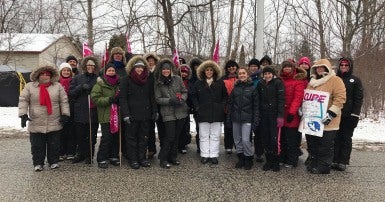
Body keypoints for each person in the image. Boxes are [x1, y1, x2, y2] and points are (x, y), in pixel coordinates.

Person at [18, 65, 70, 171]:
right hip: (36, 120)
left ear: (51, 76)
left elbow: (63, 101)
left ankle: (53, 161)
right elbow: (23, 100)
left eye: (47, 74)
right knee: (37, 145)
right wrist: (23, 114)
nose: (45, 76)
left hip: (54, 119)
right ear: (38, 75)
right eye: (43, 74)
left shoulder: (57, 86)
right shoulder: (30, 86)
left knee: (54, 144)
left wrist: (65, 114)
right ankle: (38, 163)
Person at [305, 59, 346, 174]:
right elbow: (307, 98)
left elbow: (340, 98)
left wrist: (331, 113)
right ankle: (314, 162)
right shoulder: (312, 82)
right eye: (317, 67)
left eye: (321, 67)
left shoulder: (336, 80)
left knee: (325, 145)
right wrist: (303, 109)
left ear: (327, 68)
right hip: (312, 119)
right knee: (312, 143)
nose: (319, 69)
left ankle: (323, 166)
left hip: (328, 120)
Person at [120, 56, 157, 169]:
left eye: (141, 67)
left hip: (145, 114)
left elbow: (152, 97)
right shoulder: (126, 79)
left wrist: (154, 111)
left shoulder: (149, 79)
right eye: (137, 67)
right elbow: (123, 98)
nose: (140, 69)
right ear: (133, 68)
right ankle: (133, 159)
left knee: (143, 137)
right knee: (131, 138)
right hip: (131, 115)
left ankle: (142, 158)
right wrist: (125, 113)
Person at [154, 58, 188, 169]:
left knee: (176, 136)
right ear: (161, 70)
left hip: (180, 111)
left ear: (171, 70)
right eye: (164, 69)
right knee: (170, 136)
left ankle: (173, 157)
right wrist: (169, 101)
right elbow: (158, 99)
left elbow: (184, 91)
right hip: (168, 113)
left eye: (167, 69)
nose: (166, 71)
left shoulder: (177, 79)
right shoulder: (158, 83)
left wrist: (182, 99)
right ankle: (163, 158)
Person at [192, 60, 228, 165]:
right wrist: (197, 107)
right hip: (203, 113)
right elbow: (194, 96)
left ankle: (213, 155)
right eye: (207, 70)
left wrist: (222, 106)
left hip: (217, 113)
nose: (209, 72)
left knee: (215, 135)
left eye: (211, 70)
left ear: (214, 71)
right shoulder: (198, 83)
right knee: (203, 135)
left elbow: (225, 96)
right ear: (203, 71)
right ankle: (204, 155)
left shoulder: (220, 82)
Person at [332, 57, 363, 171]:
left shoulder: (355, 80)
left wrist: (355, 114)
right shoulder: (334, 79)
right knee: (335, 137)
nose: (344, 67)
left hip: (349, 115)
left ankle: (343, 161)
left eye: (346, 65)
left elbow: (358, 99)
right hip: (335, 114)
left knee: (346, 138)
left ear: (350, 67)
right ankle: (334, 159)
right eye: (342, 65)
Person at [69, 56, 100, 164]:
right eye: (88, 65)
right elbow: (71, 92)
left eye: (92, 65)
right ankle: (80, 154)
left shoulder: (98, 78)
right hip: (80, 111)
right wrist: (81, 87)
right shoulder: (77, 78)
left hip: (93, 112)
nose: (90, 67)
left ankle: (89, 155)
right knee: (80, 135)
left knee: (91, 136)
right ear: (85, 66)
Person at [228, 67, 259, 170]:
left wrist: (255, 120)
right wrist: (229, 118)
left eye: (243, 73)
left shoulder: (252, 88)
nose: (242, 75)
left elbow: (256, 106)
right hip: (236, 118)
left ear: (247, 74)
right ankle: (241, 158)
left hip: (247, 119)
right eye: (240, 73)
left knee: (246, 140)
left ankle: (248, 158)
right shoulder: (235, 88)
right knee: (237, 140)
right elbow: (230, 105)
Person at [91, 63, 121, 169]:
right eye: (109, 71)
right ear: (105, 72)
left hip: (117, 115)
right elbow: (95, 98)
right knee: (106, 137)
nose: (111, 72)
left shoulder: (119, 83)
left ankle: (113, 156)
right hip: (105, 115)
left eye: (113, 70)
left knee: (115, 137)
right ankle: (102, 158)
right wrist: (109, 99)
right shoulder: (100, 84)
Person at [278, 60, 307, 168]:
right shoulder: (280, 80)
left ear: (293, 68)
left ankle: (292, 160)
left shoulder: (298, 80)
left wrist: (292, 112)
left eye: (289, 67)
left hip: (292, 114)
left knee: (292, 139)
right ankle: (282, 157)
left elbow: (298, 98)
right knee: (282, 137)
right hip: (281, 113)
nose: (287, 69)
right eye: (285, 67)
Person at [257, 66, 285, 172]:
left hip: (275, 115)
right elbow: (258, 99)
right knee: (265, 138)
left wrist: (280, 115)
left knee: (275, 140)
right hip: (264, 115)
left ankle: (275, 161)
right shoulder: (260, 83)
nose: (267, 76)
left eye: (269, 74)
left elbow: (281, 100)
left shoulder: (278, 83)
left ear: (272, 74)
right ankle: (268, 160)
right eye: (265, 74)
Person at [144, 52, 161, 159]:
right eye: (148, 61)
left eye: (152, 60)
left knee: (160, 126)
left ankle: (162, 148)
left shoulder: (158, 72)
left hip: (159, 101)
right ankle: (150, 148)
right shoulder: (144, 72)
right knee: (149, 127)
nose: (150, 62)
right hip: (147, 102)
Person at [58, 63, 76, 161]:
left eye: (68, 70)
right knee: (61, 132)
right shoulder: (56, 82)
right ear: (61, 71)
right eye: (64, 70)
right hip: (60, 109)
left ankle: (70, 152)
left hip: (71, 108)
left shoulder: (74, 81)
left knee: (71, 132)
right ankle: (61, 152)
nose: (66, 72)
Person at [248, 58, 264, 163]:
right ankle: (248, 152)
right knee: (247, 132)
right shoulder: (247, 78)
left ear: (258, 68)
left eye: (255, 66)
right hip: (248, 109)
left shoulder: (261, 80)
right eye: (251, 66)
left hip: (259, 108)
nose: (253, 68)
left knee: (258, 133)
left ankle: (259, 153)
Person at [221, 60, 238, 154]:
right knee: (227, 127)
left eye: (233, 66)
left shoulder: (240, 77)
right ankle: (228, 146)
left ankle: (237, 145)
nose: (231, 68)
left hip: (238, 106)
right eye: (229, 67)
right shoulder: (222, 79)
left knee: (236, 127)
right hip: (226, 106)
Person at [189, 57, 203, 153]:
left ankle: (204, 146)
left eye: (198, 66)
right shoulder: (191, 79)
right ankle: (199, 146)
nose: (196, 68)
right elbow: (192, 94)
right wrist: (195, 106)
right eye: (195, 66)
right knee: (199, 127)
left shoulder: (203, 78)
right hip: (196, 107)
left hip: (206, 106)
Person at [179, 64, 192, 154]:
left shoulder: (189, 83)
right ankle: (177, 145)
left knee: (185, 128)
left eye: (185, 72)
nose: (183, 74)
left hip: (186, 107)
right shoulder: (176, 80)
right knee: (178, 128)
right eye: (182, 72)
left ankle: (183, 144)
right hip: (177, 107)